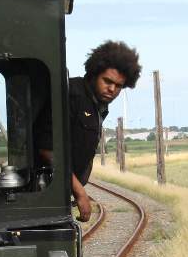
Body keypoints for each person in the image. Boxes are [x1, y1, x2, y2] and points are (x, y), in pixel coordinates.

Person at [38, 40, 140, 221]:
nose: (112, 89)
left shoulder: (97, 105)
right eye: (107, 81)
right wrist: (80, 192)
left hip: (57, 192)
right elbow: (47, 149)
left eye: (118, 86)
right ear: (93, 74)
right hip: (41, 192)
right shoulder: (71, 95)